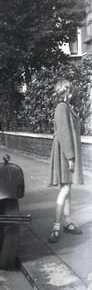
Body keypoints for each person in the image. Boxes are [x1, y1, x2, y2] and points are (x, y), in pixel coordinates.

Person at [48, 79, 84, 243]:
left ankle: (68, 222)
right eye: (68, 89)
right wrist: (70, 158)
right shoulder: (62, 107)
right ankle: (56, 227)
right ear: (63, 91)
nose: (71, 92)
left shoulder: (67, 107)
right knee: (65, 189)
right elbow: (64, 134)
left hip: (66, 153)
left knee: (68, 189)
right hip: (64, 153)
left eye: (71, 89)